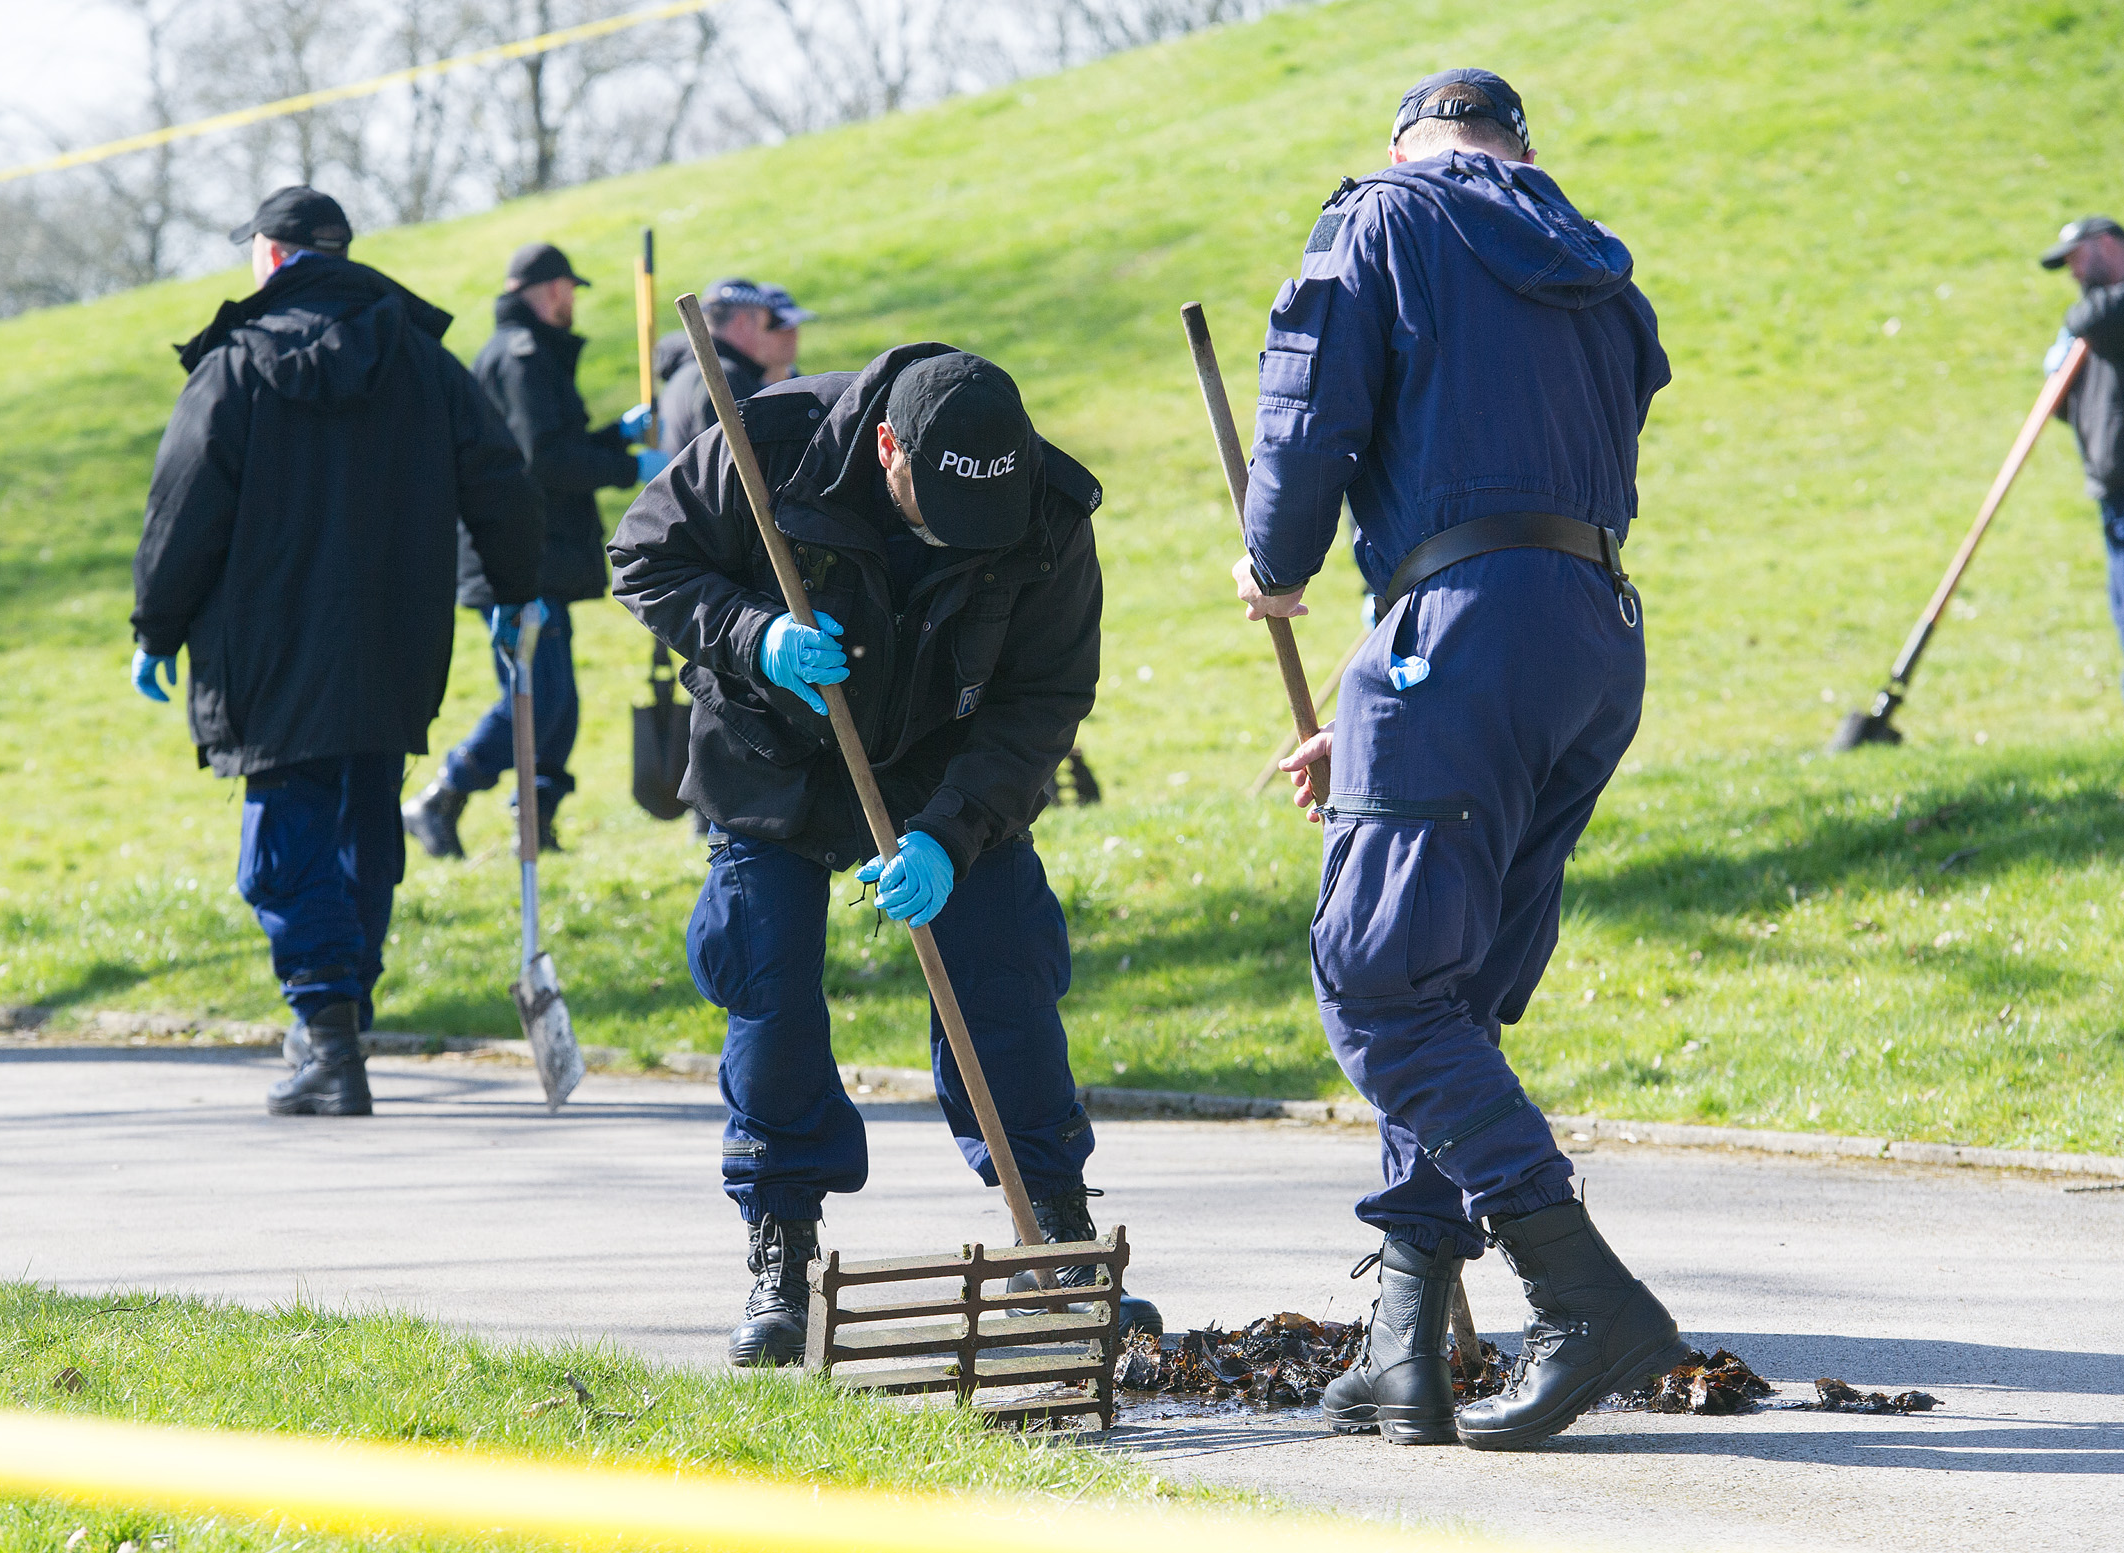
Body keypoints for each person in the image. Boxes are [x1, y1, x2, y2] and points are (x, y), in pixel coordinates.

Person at [1236, 70, 1680, 1449]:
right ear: (1522, 149)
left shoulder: (1377, 219)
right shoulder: (1593, 267)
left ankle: (1579, 1293)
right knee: (1454, 989)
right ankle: (1399, 1348)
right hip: (1588, 635)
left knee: (1376, 982)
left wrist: (1273, 559)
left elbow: (1309, 403)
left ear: (1400, 146)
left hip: (1457, 632)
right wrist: (1382, 698)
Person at [609, 344, 1158, 1365]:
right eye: (933, 515)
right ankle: (781, 1242)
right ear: (888, 447)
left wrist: (953, 833)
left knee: (1005, 975)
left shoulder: (1042, 505)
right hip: (772, 747)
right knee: (766, 983)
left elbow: (1042, 700)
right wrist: (748, 633)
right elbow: (643, 556)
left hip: (944, 769)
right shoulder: (767, 447)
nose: (957, 542)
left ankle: (1058, 1236)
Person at [129, 185, 543, 1117]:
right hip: (393, 645)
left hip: (268, 650)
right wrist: (513, 595)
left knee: (283, 845)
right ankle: (343, 1024)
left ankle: (327, 1035)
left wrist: (155, 629)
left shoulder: (234, 365)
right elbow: (500, 479)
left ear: (272, 258)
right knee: (364, 831)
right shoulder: (422, 359)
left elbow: (181, 509)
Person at [401, 243, 668, 859]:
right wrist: (627, 464)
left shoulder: (529, 357)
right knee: (537, 698)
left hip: (535, 556)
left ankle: (534, 819)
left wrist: (613, 438)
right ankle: (442, 795)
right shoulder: (523, 359)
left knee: (557, 704)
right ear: (549, 291)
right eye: (569, 290)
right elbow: (541, 461)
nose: (572, 301)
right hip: (519, 558)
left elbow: (554, 444)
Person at [2040, 217, 2124, 686]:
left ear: (2108, 244)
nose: (2073, 271)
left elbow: (2091, 318)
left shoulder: (2105, 314)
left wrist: (2080, 324)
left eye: (2077, 256)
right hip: (2112, 488)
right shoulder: (2101, 320)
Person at [654, 277, 814, 454]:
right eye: (768, 323)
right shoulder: (721, 377)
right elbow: (730, 464)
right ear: (743, 322)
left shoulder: (705, 371)